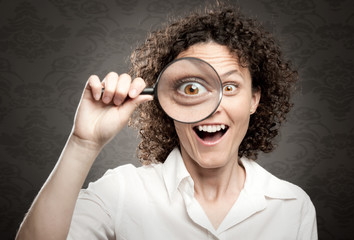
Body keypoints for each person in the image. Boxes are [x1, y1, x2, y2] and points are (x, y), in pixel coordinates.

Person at [16, 2, 317, 240]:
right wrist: (83, 144)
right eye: (191, 88)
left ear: (254, 99)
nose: (212, 109)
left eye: (229, 87)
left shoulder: (292, 205)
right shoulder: (120, 192)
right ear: (167, 99)